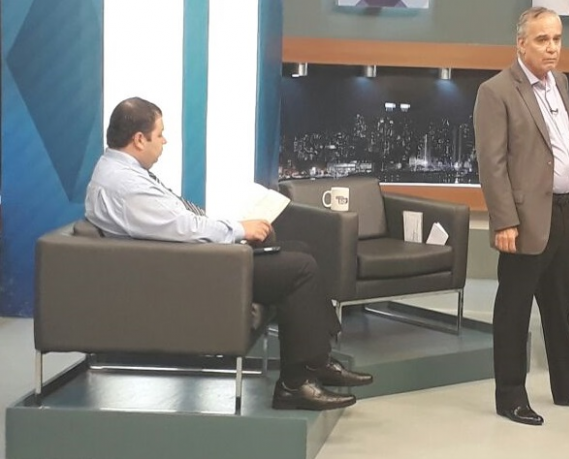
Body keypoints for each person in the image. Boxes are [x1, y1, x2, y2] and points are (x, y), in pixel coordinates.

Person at [85, 97, 373, 411]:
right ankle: (295, 383)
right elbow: (183, 228)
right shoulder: (126, 184)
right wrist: (237, 229)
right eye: (160, 133)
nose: (164, 141)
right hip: (191, 270)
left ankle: (316, 362)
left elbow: (175, 226)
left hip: (189, 259)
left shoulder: (117, 171)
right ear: (139, 139)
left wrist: (234, 230)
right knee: (299, 267)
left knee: (300, 251)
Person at [473, 7, 569, 427]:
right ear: (521, 44)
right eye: (542, 40)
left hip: (564, 211)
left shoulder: (561, 83)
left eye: (557, 39)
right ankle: (511, 397)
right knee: (514, 310)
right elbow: (491, 164)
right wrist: (504, 220)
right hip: (524, 219)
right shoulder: (496, 91)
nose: (552, 47)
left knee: (559, 306)